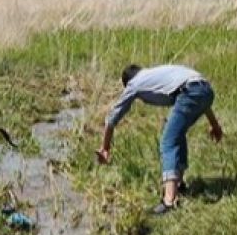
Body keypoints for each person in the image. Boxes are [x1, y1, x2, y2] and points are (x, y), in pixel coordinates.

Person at [96, 64, 224, 215]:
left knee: (168, 141)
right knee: (177, 134)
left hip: (189, 92)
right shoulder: (153, 74)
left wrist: (105, 148)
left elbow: (112, 118)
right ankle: (178, 185)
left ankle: (169, 201)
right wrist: (215, 125)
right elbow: (200, 92)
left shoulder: (134, 83)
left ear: (127, 82)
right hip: (206, 90)